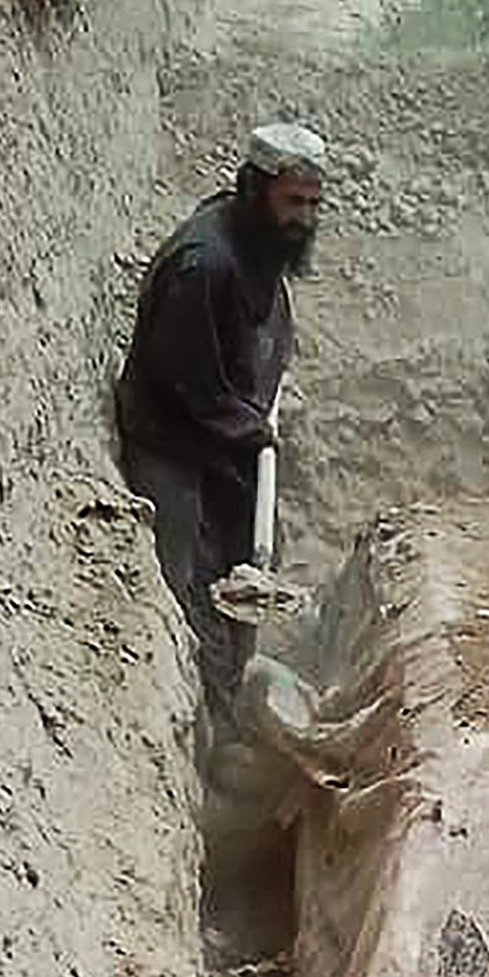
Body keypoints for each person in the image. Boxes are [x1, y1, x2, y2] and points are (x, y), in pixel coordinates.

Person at [116, 120, 323, 713]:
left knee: (252, 561)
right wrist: (252, 429)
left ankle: (232, 686)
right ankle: (199, 712)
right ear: (256, 189)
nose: (304, 218)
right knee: (185, 578)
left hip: (227, 430)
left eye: (313, 204)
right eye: (293, 203)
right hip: (173, 439)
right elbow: (187, 382)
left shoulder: (261, 238)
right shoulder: (204, 264)